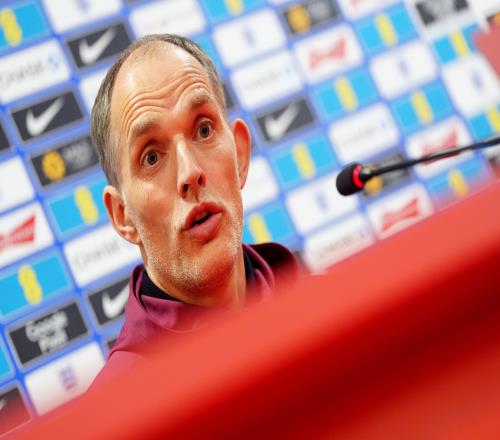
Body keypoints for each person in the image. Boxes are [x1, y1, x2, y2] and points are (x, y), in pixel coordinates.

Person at [89, 34, 300, 382]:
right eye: (152, 157)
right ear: (123, 216)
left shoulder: (328, 305)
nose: (190, 173)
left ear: (240, 155)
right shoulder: (121, 404)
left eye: (203, 130)